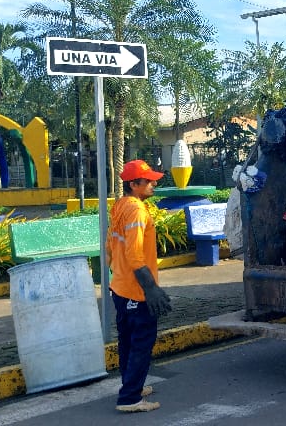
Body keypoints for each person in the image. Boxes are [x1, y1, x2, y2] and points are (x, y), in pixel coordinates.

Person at [108, 159, 173, 413]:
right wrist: (150, 288)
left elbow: (110, 246)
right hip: (135, 289)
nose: (153, 184)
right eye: (148, 181)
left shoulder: (120, 206)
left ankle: (131, 385)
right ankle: (130, 398)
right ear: (134, 184)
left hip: (120, 286)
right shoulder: (136, 210)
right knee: (142, 342)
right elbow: (135, 255)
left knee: (127, 340)